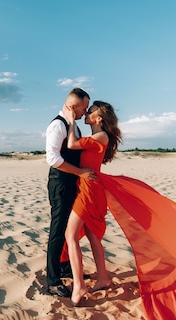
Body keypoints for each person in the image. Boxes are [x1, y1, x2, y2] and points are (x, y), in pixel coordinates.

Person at [62, 100, 122, 306]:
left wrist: (70, 121)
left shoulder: (101, 136)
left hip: (89, 190)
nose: (86, 112)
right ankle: (103, 278)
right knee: (92, 235)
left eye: (90, 111)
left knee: (70, 235)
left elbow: (71, 144)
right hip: (88, 187)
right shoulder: (96, 136)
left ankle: (79, 286)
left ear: (99, 118)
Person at [44, 87, 95, 298]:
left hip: (70, 182)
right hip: (61, 184)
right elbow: (53, 159)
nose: (85, 112)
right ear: (73, 107)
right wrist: (81, 172)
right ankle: (52, 281)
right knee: (57, 231)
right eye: (84, 108)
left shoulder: (71, 125)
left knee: (66, 228)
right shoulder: (58, 125)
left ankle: (64, 266)